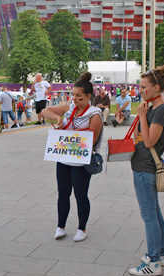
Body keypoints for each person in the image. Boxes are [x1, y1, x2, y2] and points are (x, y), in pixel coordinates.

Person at [42, 72, 103, 242]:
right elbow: (45, 110)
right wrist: (57, 117)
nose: (74, 99)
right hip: (63, 159)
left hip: (81, 162)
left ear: (88, 96)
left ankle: (82, 228)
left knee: (81, 195)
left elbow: (92, 139)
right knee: (63, 193)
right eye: (73, 95)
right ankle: (60, 226)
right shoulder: (70, 109)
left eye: (79, 96)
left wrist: (71, 136)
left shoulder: (94, 114)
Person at [129, 65, 164, 276]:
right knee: (154, 212)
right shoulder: (153, 108)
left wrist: (142, 116)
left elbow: (148, 142)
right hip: (142, 165)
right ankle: (161, 254)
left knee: (149, 216)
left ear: (156, 88)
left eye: (144, 87)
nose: (140, 90)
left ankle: (153, 262)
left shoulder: (161, 110)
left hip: (147, 168)